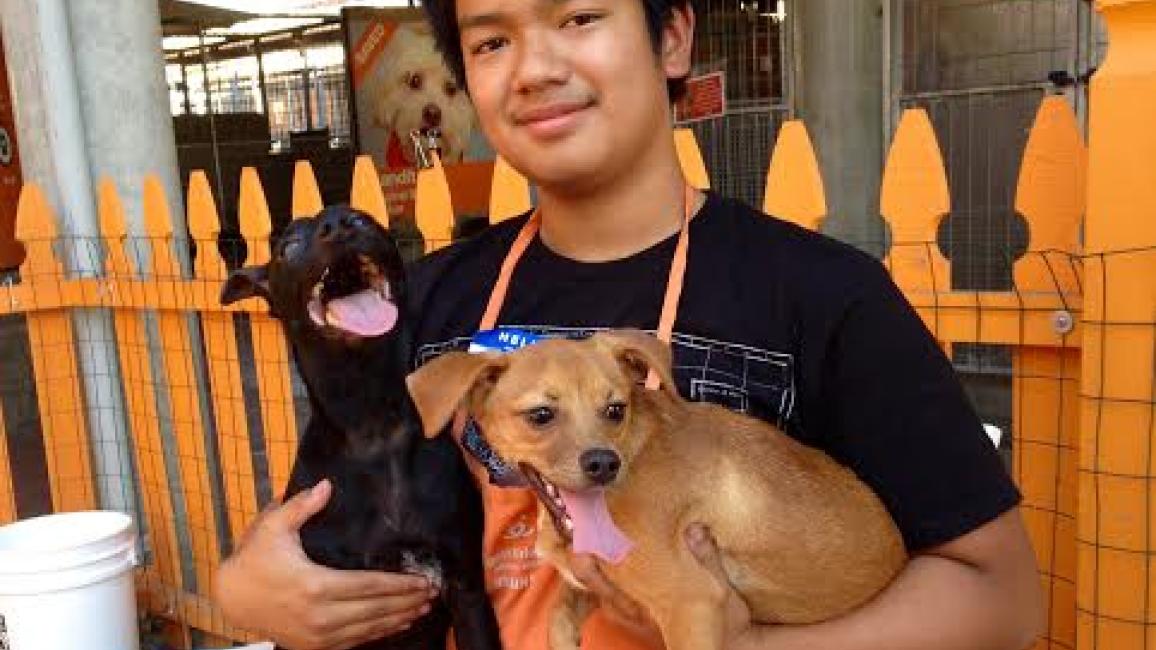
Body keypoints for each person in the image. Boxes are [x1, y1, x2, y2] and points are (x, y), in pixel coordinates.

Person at [213, 1, 1044, 648]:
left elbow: (1000, 599)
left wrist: (734, 641)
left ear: (672, 37)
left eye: (578, 19)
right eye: (491, 41)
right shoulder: (423, 305)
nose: (534, 68)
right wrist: (248, 590)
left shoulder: (822, 297)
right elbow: (327, 503)